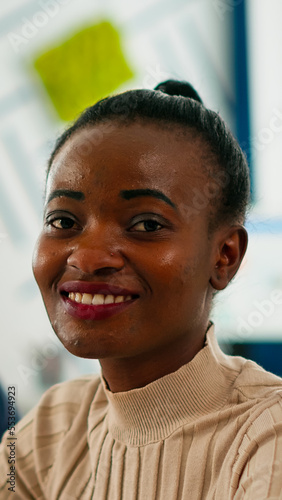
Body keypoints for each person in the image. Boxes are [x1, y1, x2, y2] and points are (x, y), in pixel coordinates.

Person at [1, 80, 282, 499]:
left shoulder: (265, 438)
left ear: (224, 256)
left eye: (146, 225)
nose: (89, 257)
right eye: (63, 221)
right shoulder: (50, 428)